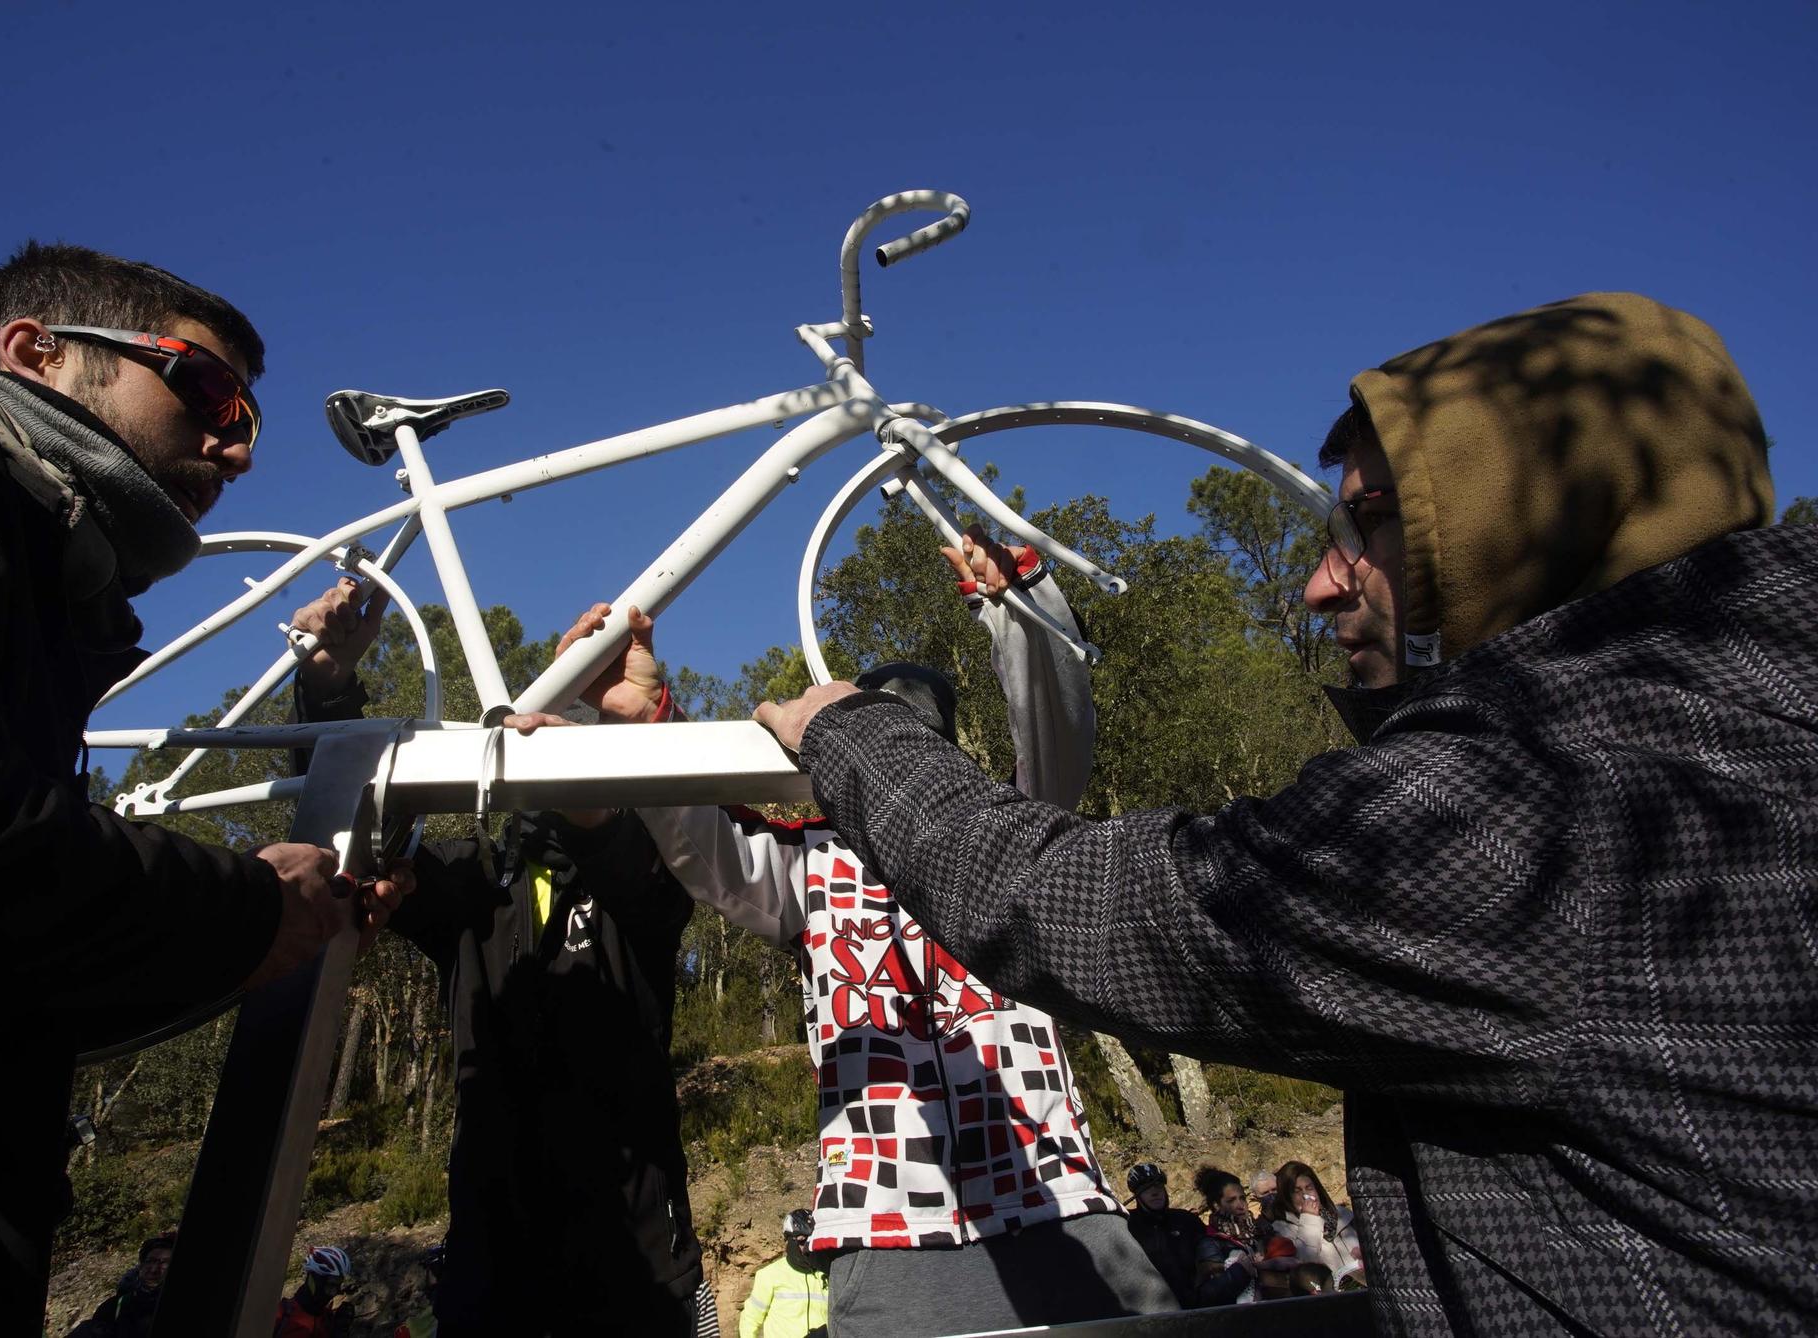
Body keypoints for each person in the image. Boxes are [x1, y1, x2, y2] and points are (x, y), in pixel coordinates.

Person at [751, 292, 1817, 1334]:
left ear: (1519, 517)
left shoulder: (1542, 820)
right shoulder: (1729, 735)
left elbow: (1084, 903)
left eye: (1373, 524)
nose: (1316, 584)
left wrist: (849, 730)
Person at [0, 243, 408, 1333]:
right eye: (210, 391)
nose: (235, 447)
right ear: (37, 353)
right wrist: (241, 908)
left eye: (250, 420)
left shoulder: (28, 578)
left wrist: (260, 928)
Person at [559, 531, 1169, 1337]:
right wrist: (641, 719)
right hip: (886, 1234)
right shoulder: (808, 862)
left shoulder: (1010, 829)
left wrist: (1019, 609)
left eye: (919, 733)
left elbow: (1057, 726)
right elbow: (705, 842)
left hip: (1061, 1207)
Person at [288, 581, 708, 1336]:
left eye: (573, 736)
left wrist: (611, 733)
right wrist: (326, 688)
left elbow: (681, 839)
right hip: (494, 1270)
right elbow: (350, 837)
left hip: (636, 1274)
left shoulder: (645, 875)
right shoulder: (473, 883)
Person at [1258, 1160, 1361, 1290]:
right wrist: (1309, 1219)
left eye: (1309, 1188)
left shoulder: (1342, 1214)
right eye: (1297, 1191)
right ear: (1287, 1196)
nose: (1305, 1195)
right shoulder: (1281, 1229)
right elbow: (1304, 1266)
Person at [1122, 1163, 1204, 1308]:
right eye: (1146, 1189)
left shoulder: (1187, 1220)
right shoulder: (1127, 1225)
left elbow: (1208, 1252)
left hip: (1195, 1303)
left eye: (1159, 1186)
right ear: (1137, 1196)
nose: (1155, 1192)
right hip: (1151, 1308)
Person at [67, 1231, 175, 1338]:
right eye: (150, 1261)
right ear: (140, 1267)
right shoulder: (115, 1307)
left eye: (164, 1263)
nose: (154, 1269)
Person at [740, 1210, 829, 1338]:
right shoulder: (769, 1275)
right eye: (802, 1241)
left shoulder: (827, 1274)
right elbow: (750, 1319)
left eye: (812, 1240)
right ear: (789, 1241)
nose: (808, 1246)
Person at [1191, 1169, 1257, 1306]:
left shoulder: (1259, 1231)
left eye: (1242, 1198)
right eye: (1232, 1200)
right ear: (1216, 1205)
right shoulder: (1210, 1243)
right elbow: (1208, 1295)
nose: (1241, 1206)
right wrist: (1240, 1271)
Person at [275, 1244, 351, 1337]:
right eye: (330, 1284)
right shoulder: (280, 1315)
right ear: (314, 1279)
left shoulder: (327, 1320)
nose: (333, 1293)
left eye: (337, 1286)